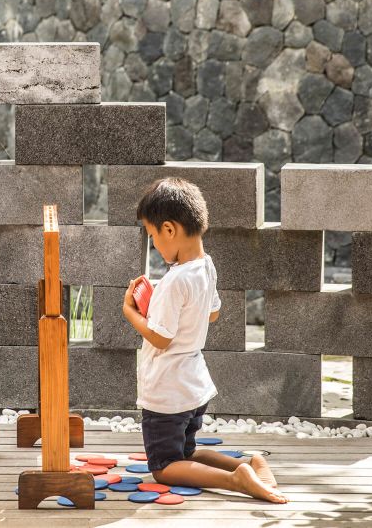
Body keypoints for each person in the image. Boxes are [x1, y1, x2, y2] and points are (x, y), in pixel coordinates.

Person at [121, 177, 287, 504]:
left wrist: (131, 312)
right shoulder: (206, 266)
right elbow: (211, 314)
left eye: (152, 236)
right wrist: (161, 310)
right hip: (194, 386)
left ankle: (235, 480)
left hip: (168, 391)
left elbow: (161, 338)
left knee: (165, 466)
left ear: (169, 229)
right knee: (187, 453)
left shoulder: (173, 281)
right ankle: (248, 465)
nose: (154, 244)